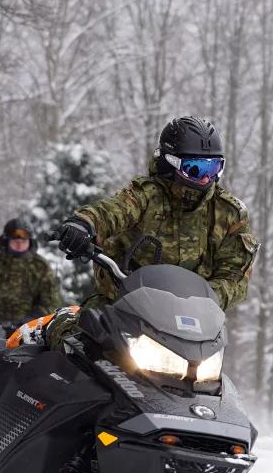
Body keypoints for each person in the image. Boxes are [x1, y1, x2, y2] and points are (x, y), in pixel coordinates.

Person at [45, 117, 258, 346]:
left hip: (192, 323)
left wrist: (201, 300)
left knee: (208, 375)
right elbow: (113, 210)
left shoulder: (229, 214)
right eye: (194, 169)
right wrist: (84, 224)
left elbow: (235, 275)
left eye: (213, 167)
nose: (206, 178)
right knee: (76, 345)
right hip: (123, 307)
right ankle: (41, 344)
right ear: (170, 164)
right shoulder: (146, 196)